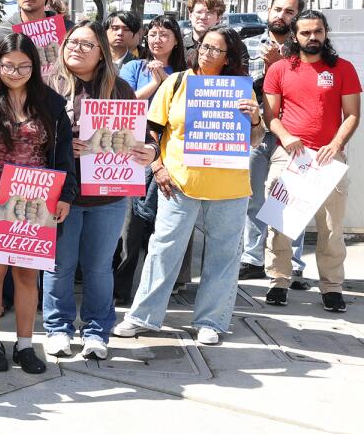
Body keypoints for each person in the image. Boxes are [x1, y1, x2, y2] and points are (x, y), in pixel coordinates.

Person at [113, 26, 264, 345]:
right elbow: (151, 128)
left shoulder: (240, 89)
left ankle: (211, 320)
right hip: (179, 184)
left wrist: (255, 120)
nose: (206, 53)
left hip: (230, 188)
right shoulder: (176, 82)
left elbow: (254, 139)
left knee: (223, 257)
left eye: (215, 50)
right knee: (162, 250)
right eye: (204, 46)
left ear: (228, 58)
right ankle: (143, 316)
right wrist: (157, 166)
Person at [0, 33, 75, 374]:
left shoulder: (51, 104)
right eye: (8, 65)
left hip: (37, 203)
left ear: (35, 67)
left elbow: (64, 153)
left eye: (24, 65)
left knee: (27, 274)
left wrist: (66, 194)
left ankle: (25, 344)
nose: (15, 71)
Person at [43, 21, 152, 359]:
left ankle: (96, 331)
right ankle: (58, 328)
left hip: (108, 195)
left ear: (101, 53)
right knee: (59, 265)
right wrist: (62, 145)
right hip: (61, 194)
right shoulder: (46, 85)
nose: (76, 48)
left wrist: (151, 152)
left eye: (86, 44)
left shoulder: (118, 88)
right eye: (72, 42)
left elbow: (141, 137)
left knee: (98, 266)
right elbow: (28, 136)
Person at [261, 10, 360, 312]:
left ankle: (331, 287)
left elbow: (352, 114)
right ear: (295, 35)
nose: (312, 37)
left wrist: (336, 144)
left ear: (325, 33)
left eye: (317, 31)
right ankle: (279, 281)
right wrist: (286, 137)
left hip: (329, 158)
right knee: (280, 223)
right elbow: (270, 115)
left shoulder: (343, 68)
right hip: (289, 156)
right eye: (305, 33)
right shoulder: (279, 69)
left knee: (331, 228)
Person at [112, 14, 185, 304]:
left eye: (165, 34)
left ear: (176, 40)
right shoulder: (133, 66)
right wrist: (156, 84)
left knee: (164, 226)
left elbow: (186, 105)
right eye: (153, 33)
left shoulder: (185, 72)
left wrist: (167, 81)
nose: (158, 39)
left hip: (172, 153)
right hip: (134, 149)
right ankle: (121, 289)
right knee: (130, 227)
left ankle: (159, 290)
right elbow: (124, 101)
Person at [240, 0, 307, 284]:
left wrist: (280, 67)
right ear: (268, 11)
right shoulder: (246, 47)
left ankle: (291, 262)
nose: (281, 15)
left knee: (290, 199)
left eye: (289, 11)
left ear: (298, 17)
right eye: (277, 9)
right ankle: (253, 258)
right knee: (252, 198)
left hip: (290, 136)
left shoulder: (307, 52)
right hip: (255, 133)